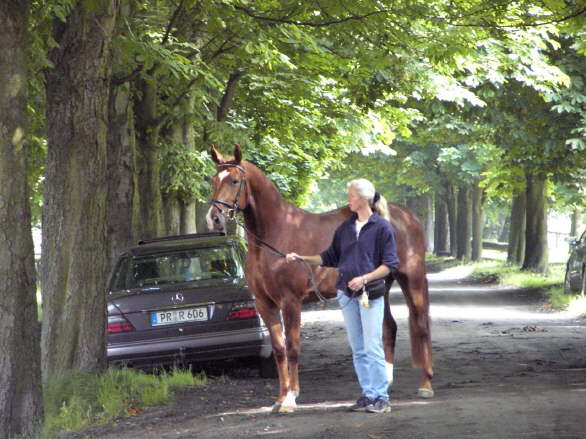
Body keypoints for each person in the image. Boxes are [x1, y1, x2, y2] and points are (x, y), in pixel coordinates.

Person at [286, 179, 399, 414]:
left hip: (370, 293)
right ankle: (368, 394)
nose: (348, 200)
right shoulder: (345, 228)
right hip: (346, 294)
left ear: (363, 199)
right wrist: (302, 258)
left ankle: (381, 397)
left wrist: (365, 278)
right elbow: (329, 257)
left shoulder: (382, 228)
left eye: (351, 196)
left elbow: (389, 265)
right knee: (358, 348)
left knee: (372, 346)